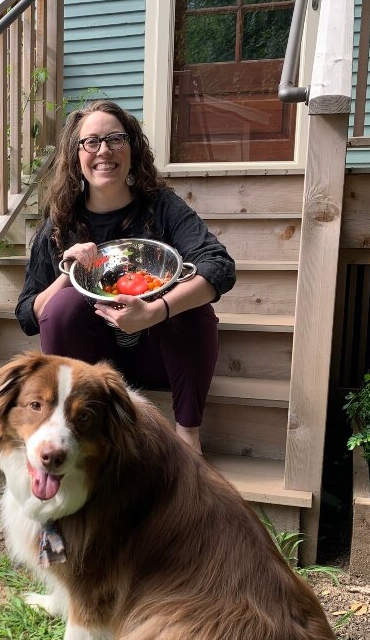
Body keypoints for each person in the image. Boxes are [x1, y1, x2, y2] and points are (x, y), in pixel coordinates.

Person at [15, 99, 236, 453]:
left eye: (115, 139)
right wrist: (66, 274)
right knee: (65, 304)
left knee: (192, 305)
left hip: (158, 355)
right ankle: (75, 429)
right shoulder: (60, 225)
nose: (104, 150)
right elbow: (28, 314)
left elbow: (219, 266)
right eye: (91, 142)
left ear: (132, 148)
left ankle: (188, 438)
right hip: (92, 371)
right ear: (76, 156)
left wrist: (155, 310)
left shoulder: (161, 206)